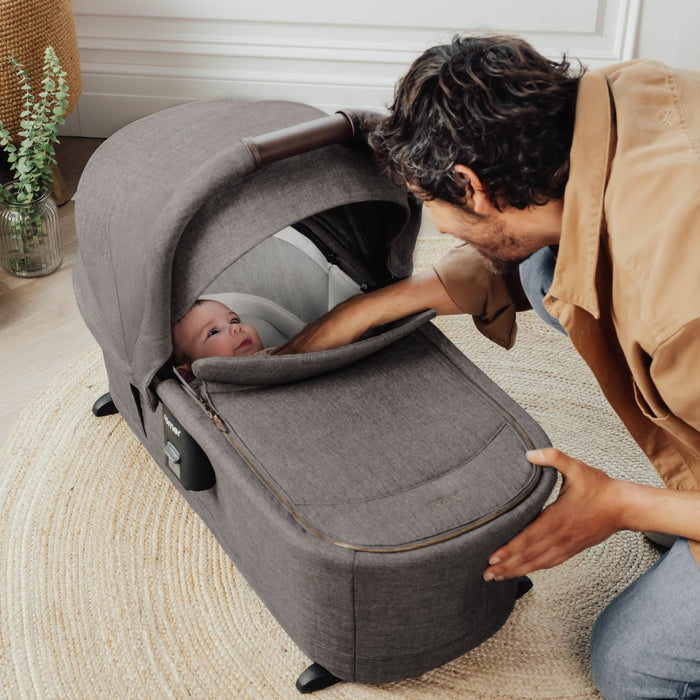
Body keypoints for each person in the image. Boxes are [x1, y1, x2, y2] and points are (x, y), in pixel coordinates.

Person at [279, 35, 700, 697]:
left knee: (633, 667)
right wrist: (369, 308)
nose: (438, 228)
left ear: (472, 187)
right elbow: (531, 246)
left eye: (432, 205)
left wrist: (621, 504)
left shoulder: (677, 309)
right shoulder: (620, 96)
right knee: (540, 267)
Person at [172, 299, 276, 380]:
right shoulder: (202, 395)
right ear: (187, 375)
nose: (235, 327)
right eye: (214, 332)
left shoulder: (277, 356)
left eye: (234, 321)